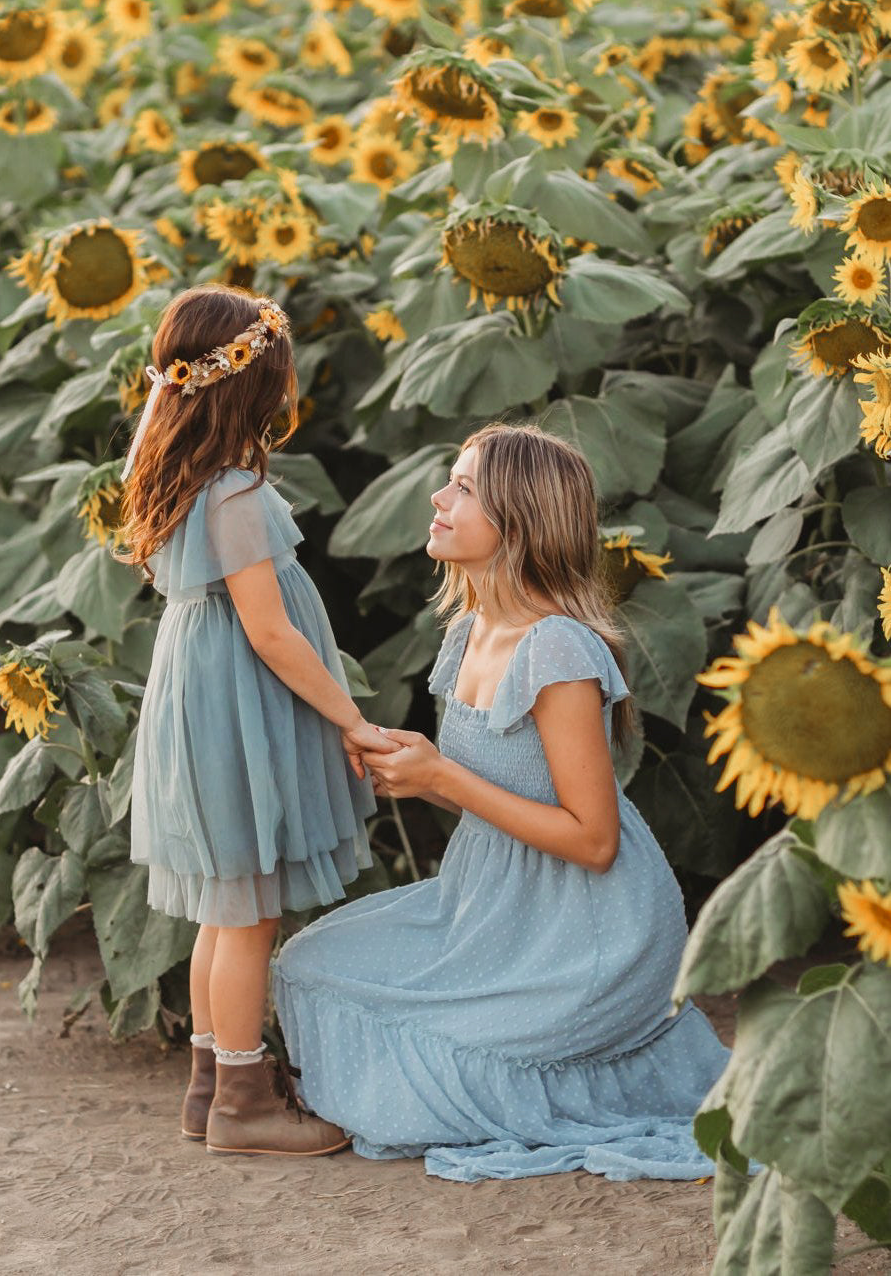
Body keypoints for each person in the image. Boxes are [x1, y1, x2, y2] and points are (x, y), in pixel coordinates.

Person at [272, 422, 730, 1183]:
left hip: (589, 933)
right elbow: (501, 788)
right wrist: (409, 765)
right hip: (488, 905)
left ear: (519, 521)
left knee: (424, 1042)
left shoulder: (556, 648)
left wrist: (442, 780)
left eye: (464, 487)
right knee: (309, 964)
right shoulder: (469, 627)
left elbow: (593, 840)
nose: (438, 496)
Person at [120, 284, 396, 1157]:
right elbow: (271, 631)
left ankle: (211, 1083)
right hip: (236, 698)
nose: (286, 393)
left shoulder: (173, 473)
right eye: (278, 377)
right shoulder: (235, 490)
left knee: (224, 904)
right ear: (247, 388)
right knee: (246, 912)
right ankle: (243, 1100)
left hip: (198, 689)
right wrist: (350, 716)